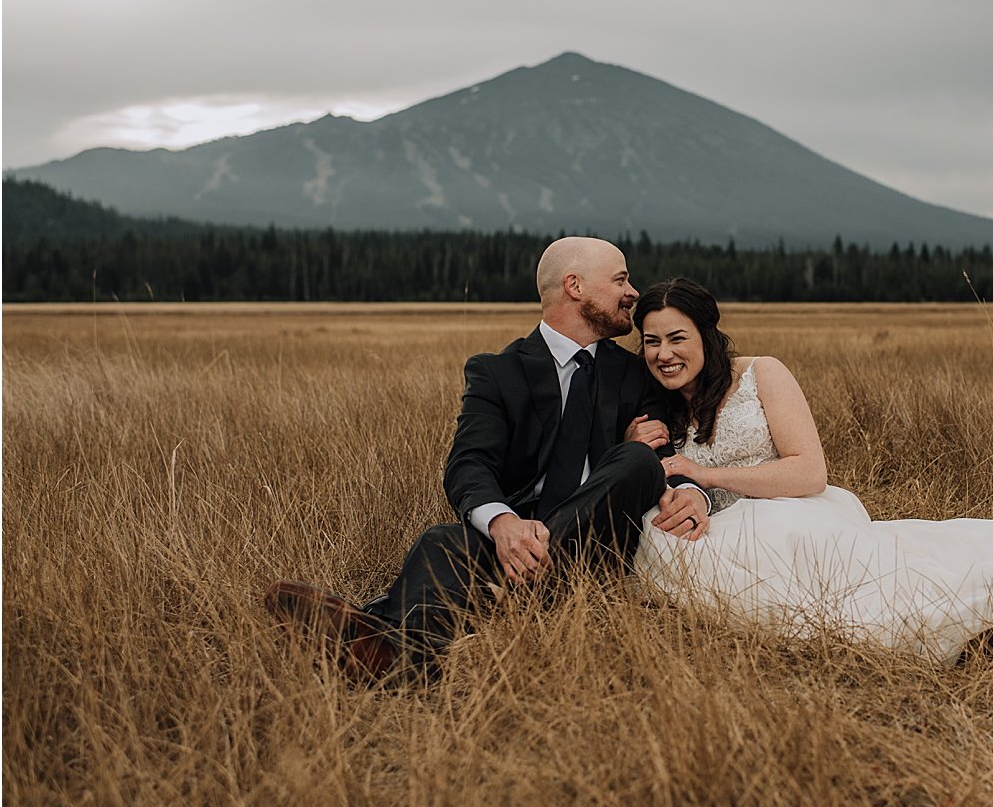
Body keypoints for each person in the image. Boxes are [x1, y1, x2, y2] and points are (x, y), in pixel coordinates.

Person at [627, 278, 993, 663]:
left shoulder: (762, 374)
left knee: (895, 579)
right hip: (729, 536)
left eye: (678, 338)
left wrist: (710, 475)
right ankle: (981, 628)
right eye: (651, 341)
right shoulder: (651, 403)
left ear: (706, 335)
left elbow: (809, 473)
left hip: (797, 513)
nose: (664, 353)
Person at [264, 238, 712, 682]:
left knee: (636, 460)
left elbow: (668, 455)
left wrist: (688, 490)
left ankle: (388, 618)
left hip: (599, 545)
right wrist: (504, 526)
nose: (632, 291)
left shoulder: (635, 373)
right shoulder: (497, 373)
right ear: (574, 286)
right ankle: (397, 660)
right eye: (620, 280)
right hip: (517, 538)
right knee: (441, 541)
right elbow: (469, 463)